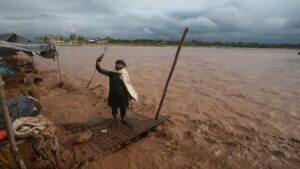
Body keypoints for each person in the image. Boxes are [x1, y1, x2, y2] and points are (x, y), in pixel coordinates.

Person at [96, 57, 138, 127]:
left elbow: (128, 85)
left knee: (123, 108)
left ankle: (123, 119)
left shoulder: (125, 74)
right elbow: (100, 70)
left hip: (123, 95)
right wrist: (97, 62)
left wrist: (129, 94)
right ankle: (115, 120)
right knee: (114, 108)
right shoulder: (112, 73)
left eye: (119, 63)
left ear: (123, 65)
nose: (117, 65)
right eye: (116, 63)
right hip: (113, 94)